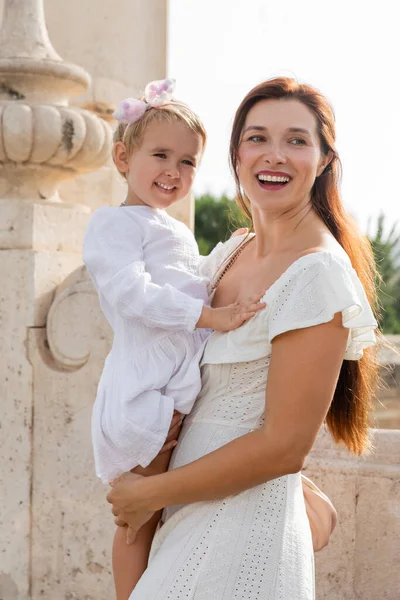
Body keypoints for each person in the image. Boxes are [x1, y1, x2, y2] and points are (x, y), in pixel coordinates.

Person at [107, 77, 379, 600]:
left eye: (297, 140)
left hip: (241, 527)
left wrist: (148, 494)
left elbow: (283, 447)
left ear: (323, 160)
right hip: (182, 508)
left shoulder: (317, 273)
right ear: (235, 154)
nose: (274, 155)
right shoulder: (229, 253)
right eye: (257, 138)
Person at [82, 79, 266, 600]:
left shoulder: (173, 230)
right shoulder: (113, 225)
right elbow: (133, 293)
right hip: (143, 390)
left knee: (163, 510)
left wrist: (226, 254)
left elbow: (186, 281)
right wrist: (211, 316)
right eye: (160, 154)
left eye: (188, 162)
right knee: (139, 513)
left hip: (173, 386)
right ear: (122, 156)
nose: (174, 171)